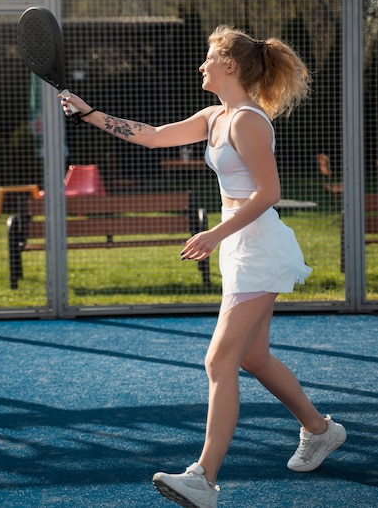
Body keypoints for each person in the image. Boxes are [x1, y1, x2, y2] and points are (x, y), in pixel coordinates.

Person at [60, 26, 346, 508]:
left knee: (219, 362)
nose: (202, 65)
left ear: (229, 66)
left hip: (256, 246)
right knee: (253, 358)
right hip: (241, 246)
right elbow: (152, 137)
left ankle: (203, 478)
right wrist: (89, 114)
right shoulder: (216, 116)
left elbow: (269, 193)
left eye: (209, 57)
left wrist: (216, 233)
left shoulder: (247, 121)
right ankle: (320, 429)